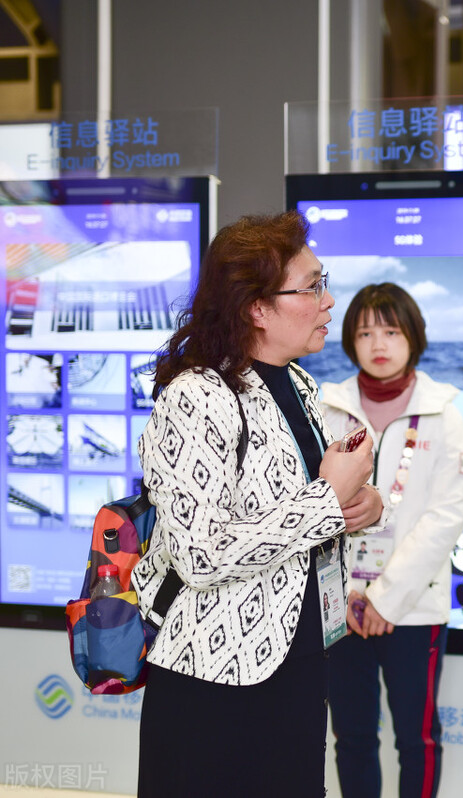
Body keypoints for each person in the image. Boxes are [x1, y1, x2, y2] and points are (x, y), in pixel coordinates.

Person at [132, 211, 384, 797]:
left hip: (296, 663)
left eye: (325, 281)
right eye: (312, 286)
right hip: (215, 675)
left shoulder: (297, 384)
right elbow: (200, 552)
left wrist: (362, 504)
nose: (328, 302)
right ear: (257, 308)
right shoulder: (196, 396)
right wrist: (327, 502)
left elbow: (299, 504)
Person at [320, 283, 463, 798]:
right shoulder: (329, 409)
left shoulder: (443, 414)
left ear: (414, 337)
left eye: (390, 330)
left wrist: (385, 598)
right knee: (352, 736)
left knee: (419, 738)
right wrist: (345, 597)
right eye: (365, 332)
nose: (378, 343)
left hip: (413, 607)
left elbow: (445, 518)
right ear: (349, 339)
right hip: (342, 607)